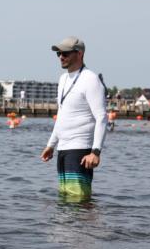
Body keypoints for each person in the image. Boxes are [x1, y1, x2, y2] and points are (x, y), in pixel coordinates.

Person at [39, 37, 106, 201]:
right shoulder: (63, 79)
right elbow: (62, 115)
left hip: (80, 149)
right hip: (63, 149)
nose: (61, 57)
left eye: (66, 53)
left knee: (78, 201)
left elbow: (101, 117)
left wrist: (95, 152)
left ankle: (88, 219)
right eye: (59, 54)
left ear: (79, 53)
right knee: (65, 200)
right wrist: (51, 145)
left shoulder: (90, 79)